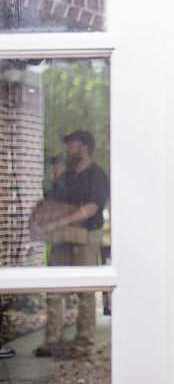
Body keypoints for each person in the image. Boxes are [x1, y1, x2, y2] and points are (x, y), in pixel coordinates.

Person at [30, 130, 109, 359]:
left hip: (85, 240)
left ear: (84, 148)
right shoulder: (66, 177)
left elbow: (92, 208)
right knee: (53, 291)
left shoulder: (97, 175)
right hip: (62, 240)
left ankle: (83, 345)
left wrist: (61, 221)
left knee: (85, 293)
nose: (68, 150)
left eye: (72, 146)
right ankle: (52, 342)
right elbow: (51, 203)